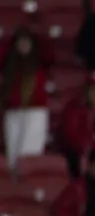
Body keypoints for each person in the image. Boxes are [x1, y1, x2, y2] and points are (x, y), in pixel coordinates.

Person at [1, 26, 49, 170]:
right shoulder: (9, 66)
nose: (23, 45)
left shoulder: (39, 64)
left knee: (29, 156)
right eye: (20, 41)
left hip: (34, 112)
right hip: (13, 113)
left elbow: (50, 49)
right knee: (12, 157)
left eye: (26, 41)